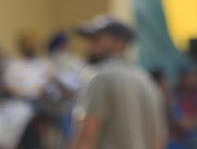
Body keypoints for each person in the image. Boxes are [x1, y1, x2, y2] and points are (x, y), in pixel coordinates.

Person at [70, 14, 166, 149]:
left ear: (120, 43)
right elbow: (158, 140)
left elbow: (87, 136)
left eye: (96, 39)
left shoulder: (99, 77)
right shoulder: (147, 81)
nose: (90, 46)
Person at [168, 65, 197, 149]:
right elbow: (183, 125)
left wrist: (191, 119)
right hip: (182, 143)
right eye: (194, 76)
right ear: (184, 78)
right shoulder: (175, 98)